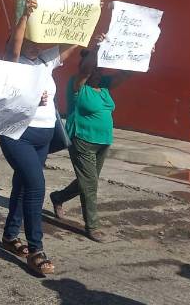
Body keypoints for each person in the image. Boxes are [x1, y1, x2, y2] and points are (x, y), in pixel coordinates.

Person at [0, 0, 83, 276]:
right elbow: (15, 45)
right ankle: (36, 249)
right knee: (36, 185)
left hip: (44, 135)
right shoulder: (12, 62)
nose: (36, 45)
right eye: (30, 40)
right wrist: (25, 15)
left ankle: (10, 236)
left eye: (39, 40)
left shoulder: (45, 61)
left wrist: (87, 16)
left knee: (23, 184)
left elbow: (74, 43)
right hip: (17, 134)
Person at [49, 47, 131, 242]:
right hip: (82, 140)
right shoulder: (77, 85)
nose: (98, 71)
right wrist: (96, 48)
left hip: (103, 141)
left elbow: (127, 74)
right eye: (94, 68)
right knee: (90, 183)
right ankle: (92, 226)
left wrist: (141, 52)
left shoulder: (103, 84)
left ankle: (58, 197)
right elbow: (85, 71)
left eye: (100, 68)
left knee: (86, 181)